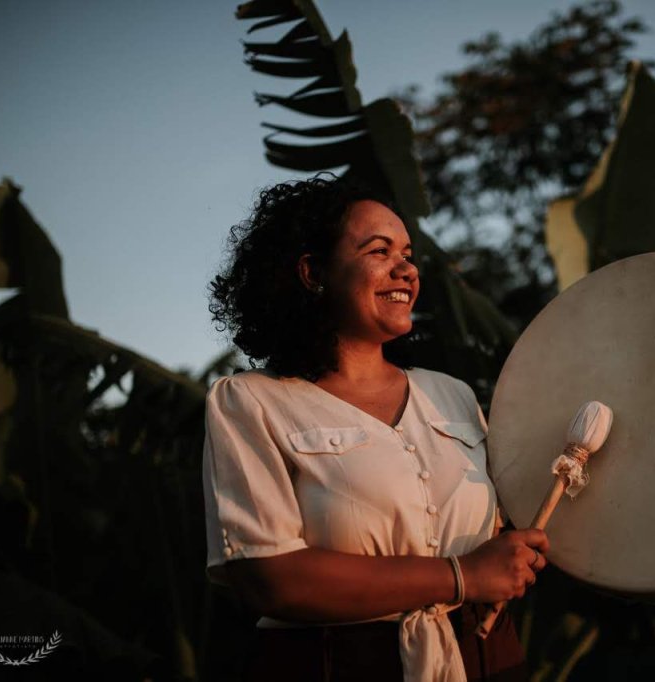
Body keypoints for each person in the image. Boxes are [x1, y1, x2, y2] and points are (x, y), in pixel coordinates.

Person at [203, 174, 549, 681]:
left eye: (408, 254)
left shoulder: (450, 392)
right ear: (313, 272)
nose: (406, 269)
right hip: (335, 665)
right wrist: (460, 576)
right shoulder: (251, 401)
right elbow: (269, 576)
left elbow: (510, 535)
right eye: (379, 251)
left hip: (489, 658)